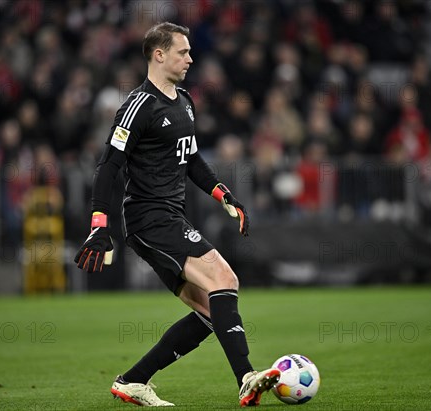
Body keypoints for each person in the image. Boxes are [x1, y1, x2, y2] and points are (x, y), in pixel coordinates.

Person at [74, 22, 280, 407]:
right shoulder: (138, 106)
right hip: (148, 218)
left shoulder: (184, 100)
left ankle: (132, 380)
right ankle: (246, 377)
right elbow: (108, 167)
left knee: (208, 311)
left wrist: (223, 194)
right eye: (183, 52)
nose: (190, 58)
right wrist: (99, 225)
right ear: (159, 54)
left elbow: (192, 158)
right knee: (224, 276)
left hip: (171, 216)